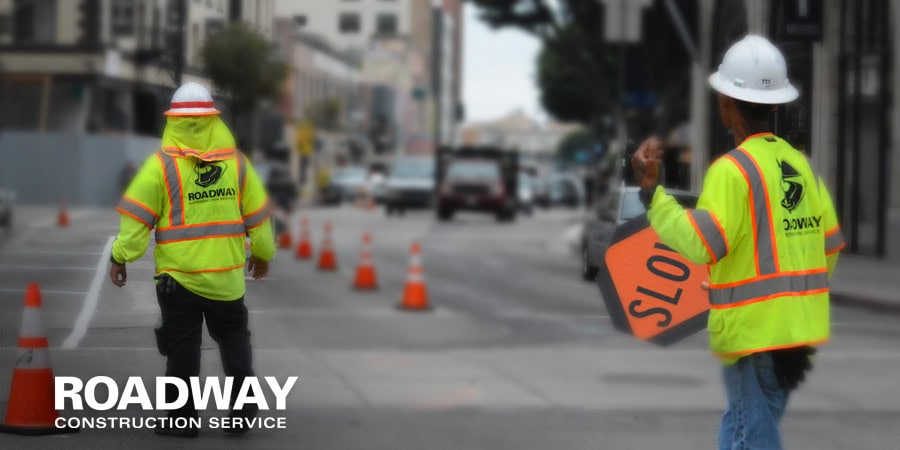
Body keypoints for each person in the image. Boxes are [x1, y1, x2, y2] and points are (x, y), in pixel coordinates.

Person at [631, 35, 844, 450]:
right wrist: (789, 301)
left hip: (754, 336)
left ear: (727, 105)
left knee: (750, 437)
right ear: (776, 104)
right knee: (741, 428)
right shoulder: (801, 165)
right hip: (797, 333)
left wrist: (653, 195)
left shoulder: (732, 170)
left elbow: (701, 243)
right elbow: (828, 247)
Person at [109, 82, 275, 438]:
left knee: (183, 345)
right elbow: (260, 218)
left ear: (173, 120)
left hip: (178, 278)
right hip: (226, 278)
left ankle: (181, 420)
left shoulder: (159, 167)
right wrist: (262, 255)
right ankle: (243, 410)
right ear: (214, 119)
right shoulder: (238, 164)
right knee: (234, 338)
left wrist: (119, 257)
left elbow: (135, 226)